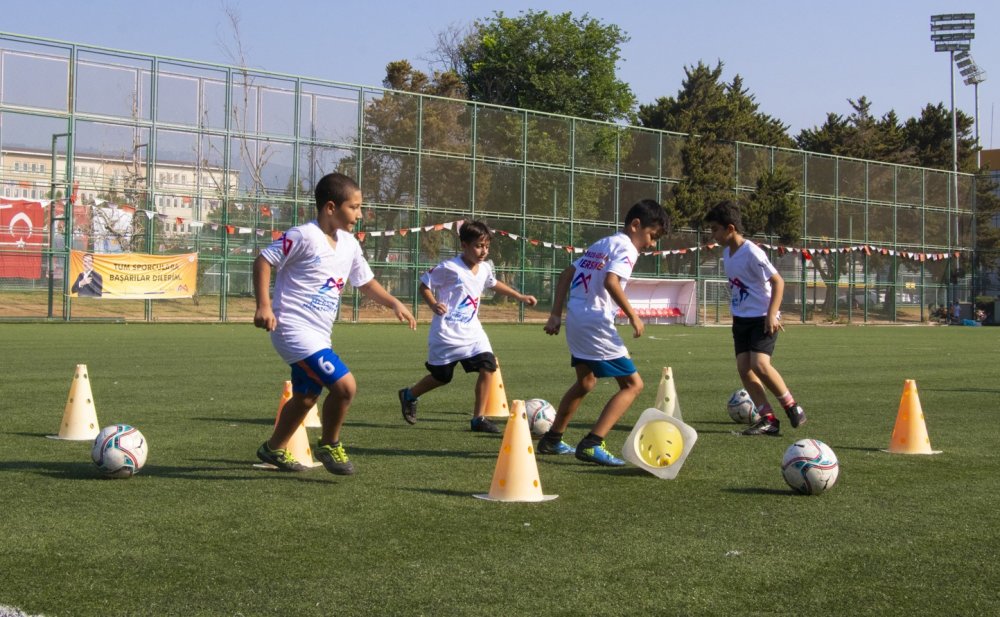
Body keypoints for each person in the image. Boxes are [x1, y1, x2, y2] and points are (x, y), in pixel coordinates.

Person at [253, 172, 417, 475]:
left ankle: (273, 449)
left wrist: (393, 302)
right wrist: (264, 305)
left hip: (319, 334)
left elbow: (365, 282)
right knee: (345, 387)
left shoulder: (350, 244)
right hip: (292, 329)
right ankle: (329, 444)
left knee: (305, 398)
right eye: (354, 207)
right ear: (331, 207)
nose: (360, 214)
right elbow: (264, 259)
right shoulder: (304, 235)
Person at [538, 199, 669, 466]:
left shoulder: (602, 244)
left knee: (586, 382)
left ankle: (552, 439)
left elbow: (565, 274)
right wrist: (633, 315)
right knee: (633, 385)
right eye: (652, 236)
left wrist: (555, 314)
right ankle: (592, 443)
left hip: (577, 318)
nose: (652, 244)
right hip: (596, 323)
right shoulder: (627, 249)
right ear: (636, 226)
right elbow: (611, 281)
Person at [398, 220, 538, 433]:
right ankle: (409, 395)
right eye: (478, 246)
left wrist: (519, 296)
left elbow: (493, 283)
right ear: (464, 245)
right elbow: (424, 285)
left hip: (473, 332)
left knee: (489, 366)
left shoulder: (484, 268)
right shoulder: (450, 267)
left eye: (487, 246)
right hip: (447, 333)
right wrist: (434, 304)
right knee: (441, 377)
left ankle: (478, 419)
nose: (483, 251)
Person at [704, 200, 806, 436]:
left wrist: (772, 314)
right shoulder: (727, 254)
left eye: (715, 230)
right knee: (744, 368)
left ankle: (792, 406)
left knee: (760, 365)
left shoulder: (752, 252)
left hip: (762, 318)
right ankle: (768, 419)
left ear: (730, 228)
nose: (713, 235)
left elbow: (778, 281)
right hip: (741, 319)